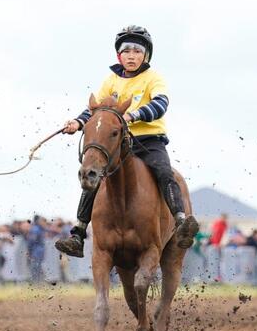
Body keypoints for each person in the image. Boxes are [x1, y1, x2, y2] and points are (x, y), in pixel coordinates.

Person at [55, 25, 199, 258]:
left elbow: (161, 104)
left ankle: (181, 221)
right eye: (126, 51)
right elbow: (97, 110)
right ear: (119, 55)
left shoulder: (153, 78)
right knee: (94, 174)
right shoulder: (111, 81)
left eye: (137, 52)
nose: (131, 56)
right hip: (119, 143)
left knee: (164, 172)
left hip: (150, 141)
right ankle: (78, 233)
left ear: (146, 56)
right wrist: (78, 123)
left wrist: (133, 115)